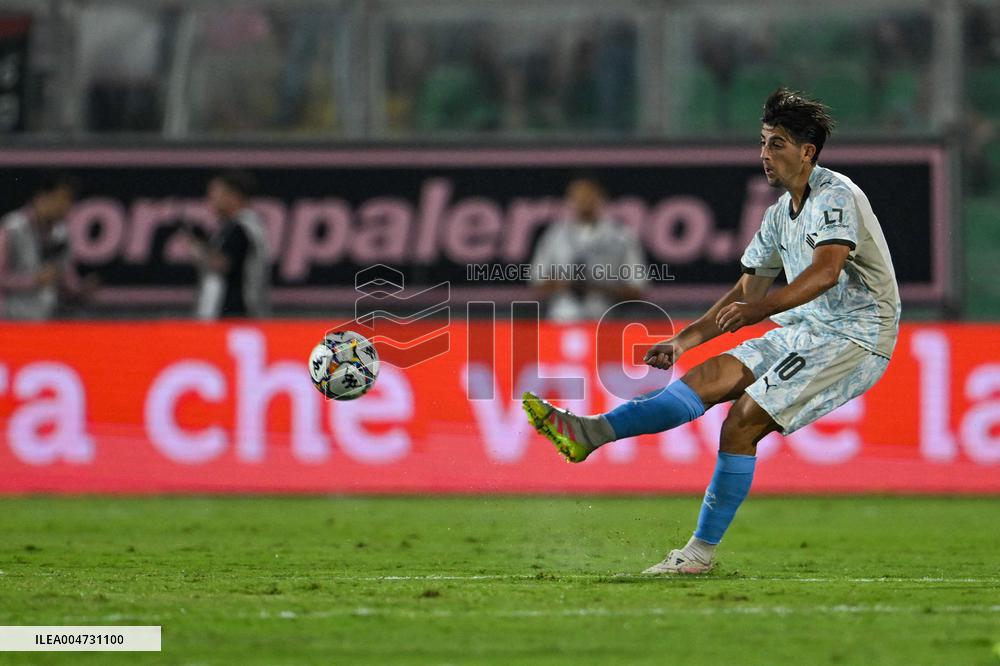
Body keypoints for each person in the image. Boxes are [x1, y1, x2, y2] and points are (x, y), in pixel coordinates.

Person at [523, 89, 900, 574]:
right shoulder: (776, 216)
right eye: (763, 143)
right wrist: (684, 340)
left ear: (807, 151)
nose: (765, 154)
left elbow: (825, 272)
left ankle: (698, 555)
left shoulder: (836, 195)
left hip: (857, 335)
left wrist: (757, 309)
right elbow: (745, 289)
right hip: (803, 326)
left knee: (742, 421)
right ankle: (589, 433)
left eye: (777, 144)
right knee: (707, 378)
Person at [530, 178, 646, 322]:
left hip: (605, 319)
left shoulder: (621, 236)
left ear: (600, 197)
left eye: (589, 195)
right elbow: (538, 283)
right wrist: (569, 284)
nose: (584, 201)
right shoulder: (554, 235)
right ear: (569, 199)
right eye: (578, 196)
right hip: (562, 318)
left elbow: (638, 288)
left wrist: (599, 286)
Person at [0, 174, 90, 320]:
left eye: (69, 201)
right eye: (60, 199)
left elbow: (65, 279)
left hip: (44, 320)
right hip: (9, 320)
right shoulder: (12, 228)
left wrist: (80, 289)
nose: (65, 206)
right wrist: (33, 280)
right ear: (42, 197)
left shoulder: (62, 233)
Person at [187, 170, 269, 319]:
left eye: (216, 192)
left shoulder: (243, 227)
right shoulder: (230, 227)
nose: (211, 198)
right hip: (227, 314)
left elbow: (222, 263)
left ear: (234, 195)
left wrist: (199, 250)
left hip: (237, 314)